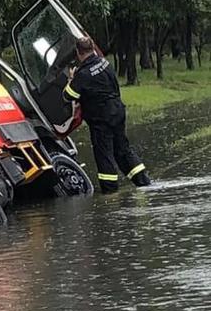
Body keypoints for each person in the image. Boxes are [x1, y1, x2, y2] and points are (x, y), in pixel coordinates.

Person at [63, 36, 151, 193]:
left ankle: (110, 194)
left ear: (78, 52)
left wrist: (71, 78)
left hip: (101, 119)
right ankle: (143, 182)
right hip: (117, 112)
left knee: (104, 156)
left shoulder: (82, 75)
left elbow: (68, 96)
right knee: (123, 149)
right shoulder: (105, 63)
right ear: (92, 49)